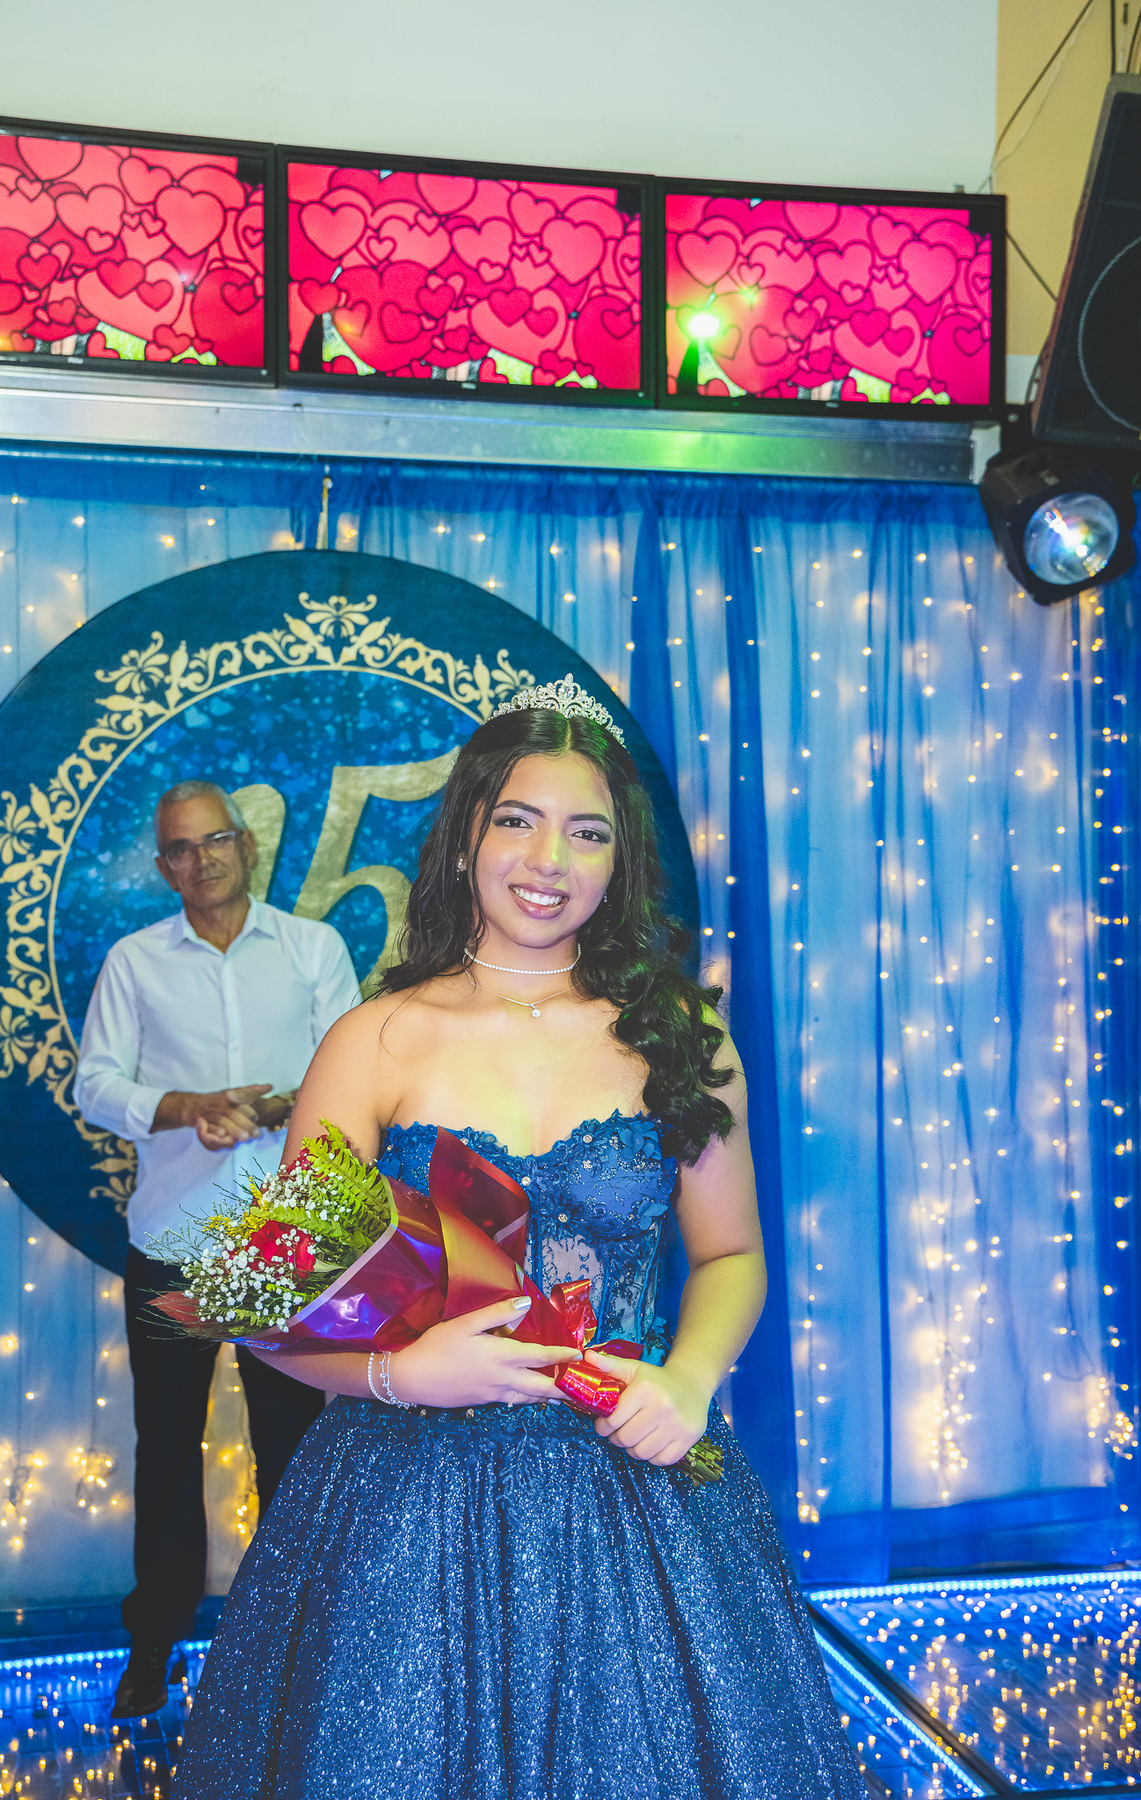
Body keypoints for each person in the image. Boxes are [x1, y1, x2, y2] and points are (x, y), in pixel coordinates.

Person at [172, 686, 863, 1799]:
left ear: (619, 863)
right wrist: (402, 1373)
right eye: (517, 821)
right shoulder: (375, 1039)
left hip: (638, 1485)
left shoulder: (680, 1033)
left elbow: (732, 1256)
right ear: (464, 841)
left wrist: (688, 1381)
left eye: (588, 833)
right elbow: (274, 1312)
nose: (550, 860)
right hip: (406, 1506)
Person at [74, 779, 362, 1721]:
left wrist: (270, 1108)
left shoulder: (314, 948)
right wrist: (184, 1107)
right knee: (166, 1446)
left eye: (215, 841)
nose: (201, 861)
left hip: (282, 1240)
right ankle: (153, 1645)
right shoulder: (134, 960)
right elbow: (95, 1085)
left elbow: (351, 1072)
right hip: (171, 1241)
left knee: (294, 1447)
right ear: (165, 866)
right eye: (180, 849)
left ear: (246, 844)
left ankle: (283, 1647)